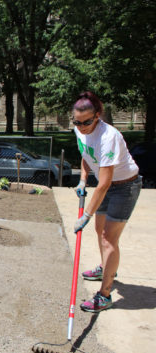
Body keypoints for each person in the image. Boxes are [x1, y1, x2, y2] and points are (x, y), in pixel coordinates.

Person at [71, 91, 141, 313]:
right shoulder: (79, 130)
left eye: (87, 122)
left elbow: (103, 184)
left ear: (98, 116)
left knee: (109, 237)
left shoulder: (108, 136)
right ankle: (106, 268)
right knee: (99, 229)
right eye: (77, 122)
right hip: (108, 184)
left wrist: (85, 214)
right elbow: (86, 154)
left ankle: (105, 295)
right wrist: (82, 180)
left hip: (125, 186)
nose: (81, 127)